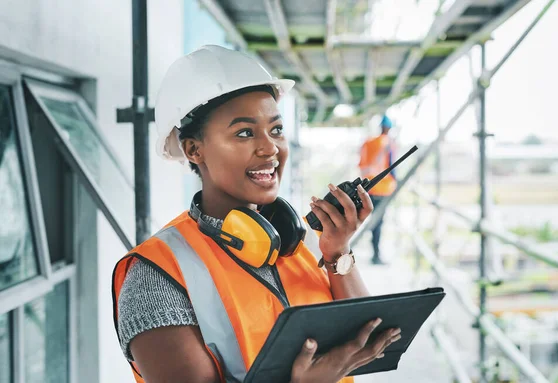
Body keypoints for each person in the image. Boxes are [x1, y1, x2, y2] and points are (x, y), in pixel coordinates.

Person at [111, 45, 401, 383]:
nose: (270, 148)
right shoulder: (156, 275)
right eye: (245, 133)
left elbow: (366, 343)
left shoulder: (293, 241)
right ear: (194, 150)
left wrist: (337, 252)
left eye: (276, 130)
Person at [358, 115, 397, 265]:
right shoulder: (387, 143)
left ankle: (373, 252)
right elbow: (392, 166)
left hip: (367, 187)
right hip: (383, 189)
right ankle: (376, 255)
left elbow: (361, 164)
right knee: (378, 223)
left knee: (370, 220)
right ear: (388, 128)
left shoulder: (367, 142)